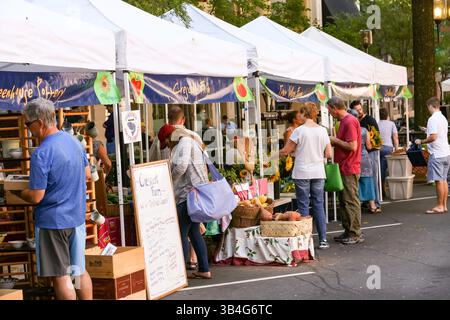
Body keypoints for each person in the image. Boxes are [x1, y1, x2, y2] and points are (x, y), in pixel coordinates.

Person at [12, 98, 92, 300]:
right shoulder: (74, 141)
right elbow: (88, 173)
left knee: (61, 275)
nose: (28, 129)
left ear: (39, 122)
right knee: (78, 270)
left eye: (28, 124)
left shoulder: (42, 152)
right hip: (77, 218)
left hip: (53, 222)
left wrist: (15, 192)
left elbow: (37, 196)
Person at [159, 125, 212, 279]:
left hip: (188, 194)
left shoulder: (184, 143)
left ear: (170, 137)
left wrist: (168, 179)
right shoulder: (190, 141)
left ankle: (179, 274)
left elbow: (181, 167)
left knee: (181, 233)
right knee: (194, 231)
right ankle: (204, 269)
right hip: (193, 193)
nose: (167, 146)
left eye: (167, 143)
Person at [280, 103, 332, 249]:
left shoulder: (299, 131)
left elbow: (286, 150)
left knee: (303, 205)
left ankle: (305, 240)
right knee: (318, 204)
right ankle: (323, 240)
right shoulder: (322, 131)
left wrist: (277, 153)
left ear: (304, 114)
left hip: (302, 171)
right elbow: (328, 153)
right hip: (318, 172)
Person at [328, 97, 364, 245]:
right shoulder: (344, 121)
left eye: (330, 110)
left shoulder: (348, 121)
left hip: (349, 166)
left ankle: (355, 233)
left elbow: (352, 146)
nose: (330, 113)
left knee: (350, 200)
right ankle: (348, 230)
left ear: (334, 107)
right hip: (345, 166)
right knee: (344, 200)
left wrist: (335, 140)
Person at [415, 97, 450, 214]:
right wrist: (427, 131)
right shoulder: (443, 118)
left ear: (431, 106)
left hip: (437, 153)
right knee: (444, 180)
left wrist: (422, 141)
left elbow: (433, 137)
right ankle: (444, 205)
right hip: (446, 152)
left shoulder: (432, 119)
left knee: (439, 181)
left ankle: (440, 205)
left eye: (427, 107)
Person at [350, 100, 381, 211]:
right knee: (366, 179)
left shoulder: (369, 120)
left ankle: (376, 203)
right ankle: (369, 203)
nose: (359, 112)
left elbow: (377, 138)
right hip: (364, 153)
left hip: (371, 152)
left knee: (371, 178)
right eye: (357, 110)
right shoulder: (357, 124)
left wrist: (371, 146)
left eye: (360, 109)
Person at [378, 108, 399, 193]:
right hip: (388, 148)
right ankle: (385, 189)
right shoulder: (391, 124)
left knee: (380, 169)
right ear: (387, 115)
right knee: (387, 169)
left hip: (378, 148)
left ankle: (381, 188)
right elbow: (395, 137)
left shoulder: (377, 123)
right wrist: (396, 149)